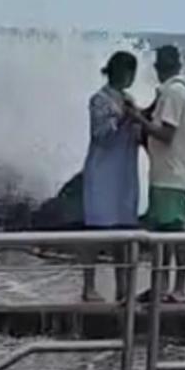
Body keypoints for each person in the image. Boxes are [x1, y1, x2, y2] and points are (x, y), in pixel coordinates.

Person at [130, 45, 185, 303]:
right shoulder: (171, 92)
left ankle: (177, 288)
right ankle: (162, 285)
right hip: (166, 173)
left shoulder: (174, 93)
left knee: (175, 233)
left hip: (171, 174)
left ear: (160, 67)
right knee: (165, 232)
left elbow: (166, 134)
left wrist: (138, 120)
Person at [81, 51, 141, 302]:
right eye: (129, 72)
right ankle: (89, 286)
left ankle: (123, 288)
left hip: (124, 174)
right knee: (95, 233)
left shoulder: (129, 99)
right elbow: (100, 134)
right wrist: (123, 118)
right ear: (118, 71)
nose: (131, 77)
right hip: (102, 173)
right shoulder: (99, 100)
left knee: (124, 236)